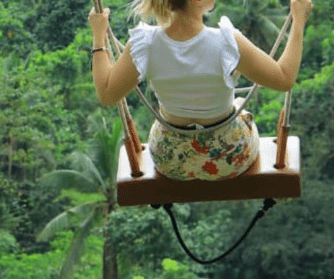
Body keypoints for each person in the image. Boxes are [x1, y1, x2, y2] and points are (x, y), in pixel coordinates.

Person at [89, 0, 312, 181]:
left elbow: (106, 94)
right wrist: (299, 21)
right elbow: (284, 79)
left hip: (171, 160)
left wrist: (99, 36)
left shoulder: (145, 43)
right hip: (229, 158)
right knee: (239, 107)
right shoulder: (226, 42)